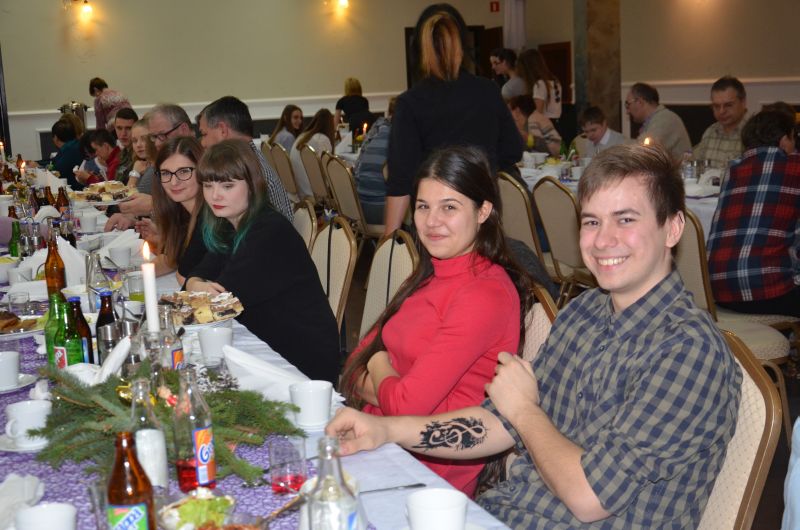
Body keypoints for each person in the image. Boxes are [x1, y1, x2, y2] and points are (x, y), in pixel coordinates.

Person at [327, 143, 742, 528]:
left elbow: (589, 497)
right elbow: (497, 422)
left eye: (626, 220)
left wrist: (525, 411)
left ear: (672, 229)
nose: (603, 240)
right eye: (592, 221)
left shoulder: (688, 350)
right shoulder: (585, 312)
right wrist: (386, 430)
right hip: (507, 512)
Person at [342, 146, 535, 496]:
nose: (432, 222)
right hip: (376, 440)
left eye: (449, 207)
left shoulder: (483, 294)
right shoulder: (430, 272)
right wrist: (385, 379)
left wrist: (378, 362)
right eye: (423, 206)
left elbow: (405, 404)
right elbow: (353, 366)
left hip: (428, 472)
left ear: (483, 211)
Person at [185, 139, 340, 383]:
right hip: (270, 338)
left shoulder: (269, 231)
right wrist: (197, 284)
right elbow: (194, 275)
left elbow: (219, 305)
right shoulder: (229, 225)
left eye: (227, 185)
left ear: (252, 185)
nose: (215, 195)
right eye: (208, 185)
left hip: (301, 358)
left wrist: (197, 288)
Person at [384, 5, 522, 236]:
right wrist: (479, 169)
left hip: (435, 225)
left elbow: (400, 181)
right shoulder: (488, 91)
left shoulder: (411, 103)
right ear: (463, 46)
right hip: (480, 218)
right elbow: (512, 150)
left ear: (420, 50)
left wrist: (388, 243)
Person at [707, 109, 800, 316]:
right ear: (784, 140)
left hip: (719, 291)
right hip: (768, 292)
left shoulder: (732, 171)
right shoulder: (794, 167)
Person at [197, 96, 293, 221]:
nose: (202, 143)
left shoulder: (252, 172)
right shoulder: (250, 161)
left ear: (223, 130)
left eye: (204, 134)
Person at [140, 136, 207, 284]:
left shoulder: (208, 217)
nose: (174, 182)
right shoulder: (180, 212)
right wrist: (132, 275)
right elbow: (171, 259)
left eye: (184, 171)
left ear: (202, 170)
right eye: (166, 173)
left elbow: (184, 276)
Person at [353, 97, 396, 225]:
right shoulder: (398, 134)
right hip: (381, 212)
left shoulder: (377, 128)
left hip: (359, 207)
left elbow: (357, 168)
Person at [692, 76, 748, 168]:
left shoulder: (754, 133)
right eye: (716, 106)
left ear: (743, 102)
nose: (721, 111)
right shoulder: (710, 132)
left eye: (728, 105)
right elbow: (696, 167)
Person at [625, 82, 691, 160]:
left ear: (640, 102)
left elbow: (642, 152)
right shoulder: (658, 119)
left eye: (628, 104)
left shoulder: (666, 119)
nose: (627, 111)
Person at [290, 108, 336, 199]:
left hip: (298, 188)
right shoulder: (322, 139)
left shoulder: (303, 136)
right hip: (312, 192)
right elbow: (326, 170)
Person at [516, 49, 562, 120]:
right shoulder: (554, 80)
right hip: (557, 121)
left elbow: (538, 113)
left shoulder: (539, 84)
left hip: (546, 122)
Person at [47, 118, 84, 190]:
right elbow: (53, 161)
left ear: (55, 138)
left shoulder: (70, 149)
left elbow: (57, 172)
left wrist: (42, 168)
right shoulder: (73, 145)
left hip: (75, 190)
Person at [127, 119, 156, 193]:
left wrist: (134, 174)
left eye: (144, 139)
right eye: (134, 141)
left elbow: (128, 199)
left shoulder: (154, 170)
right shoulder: (141, 165)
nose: (138, 145)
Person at [112, 107, 139, 183]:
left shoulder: (141, 155)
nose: (123, 133)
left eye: (128, 128)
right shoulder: (121, 154)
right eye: (119, 128)